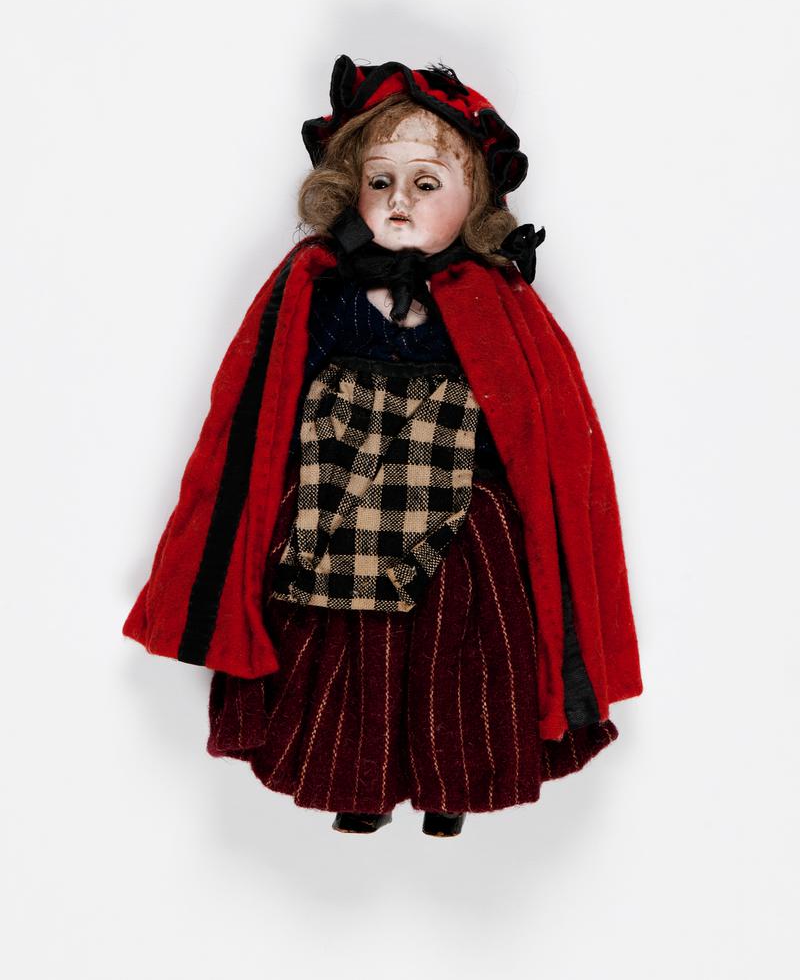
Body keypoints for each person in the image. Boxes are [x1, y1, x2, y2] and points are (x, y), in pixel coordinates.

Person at [123, 56, 643, 838]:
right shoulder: (319, 288)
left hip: (457, 515)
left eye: (426, 183)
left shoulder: (497, 301)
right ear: (348, 188)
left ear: (476, 198)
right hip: (339, 507)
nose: (399, 201)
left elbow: (537, 429)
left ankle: (452, 788)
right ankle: (354, 785)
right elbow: (265, 402)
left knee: (459, 657)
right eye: (380, 180)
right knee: (348, 654)